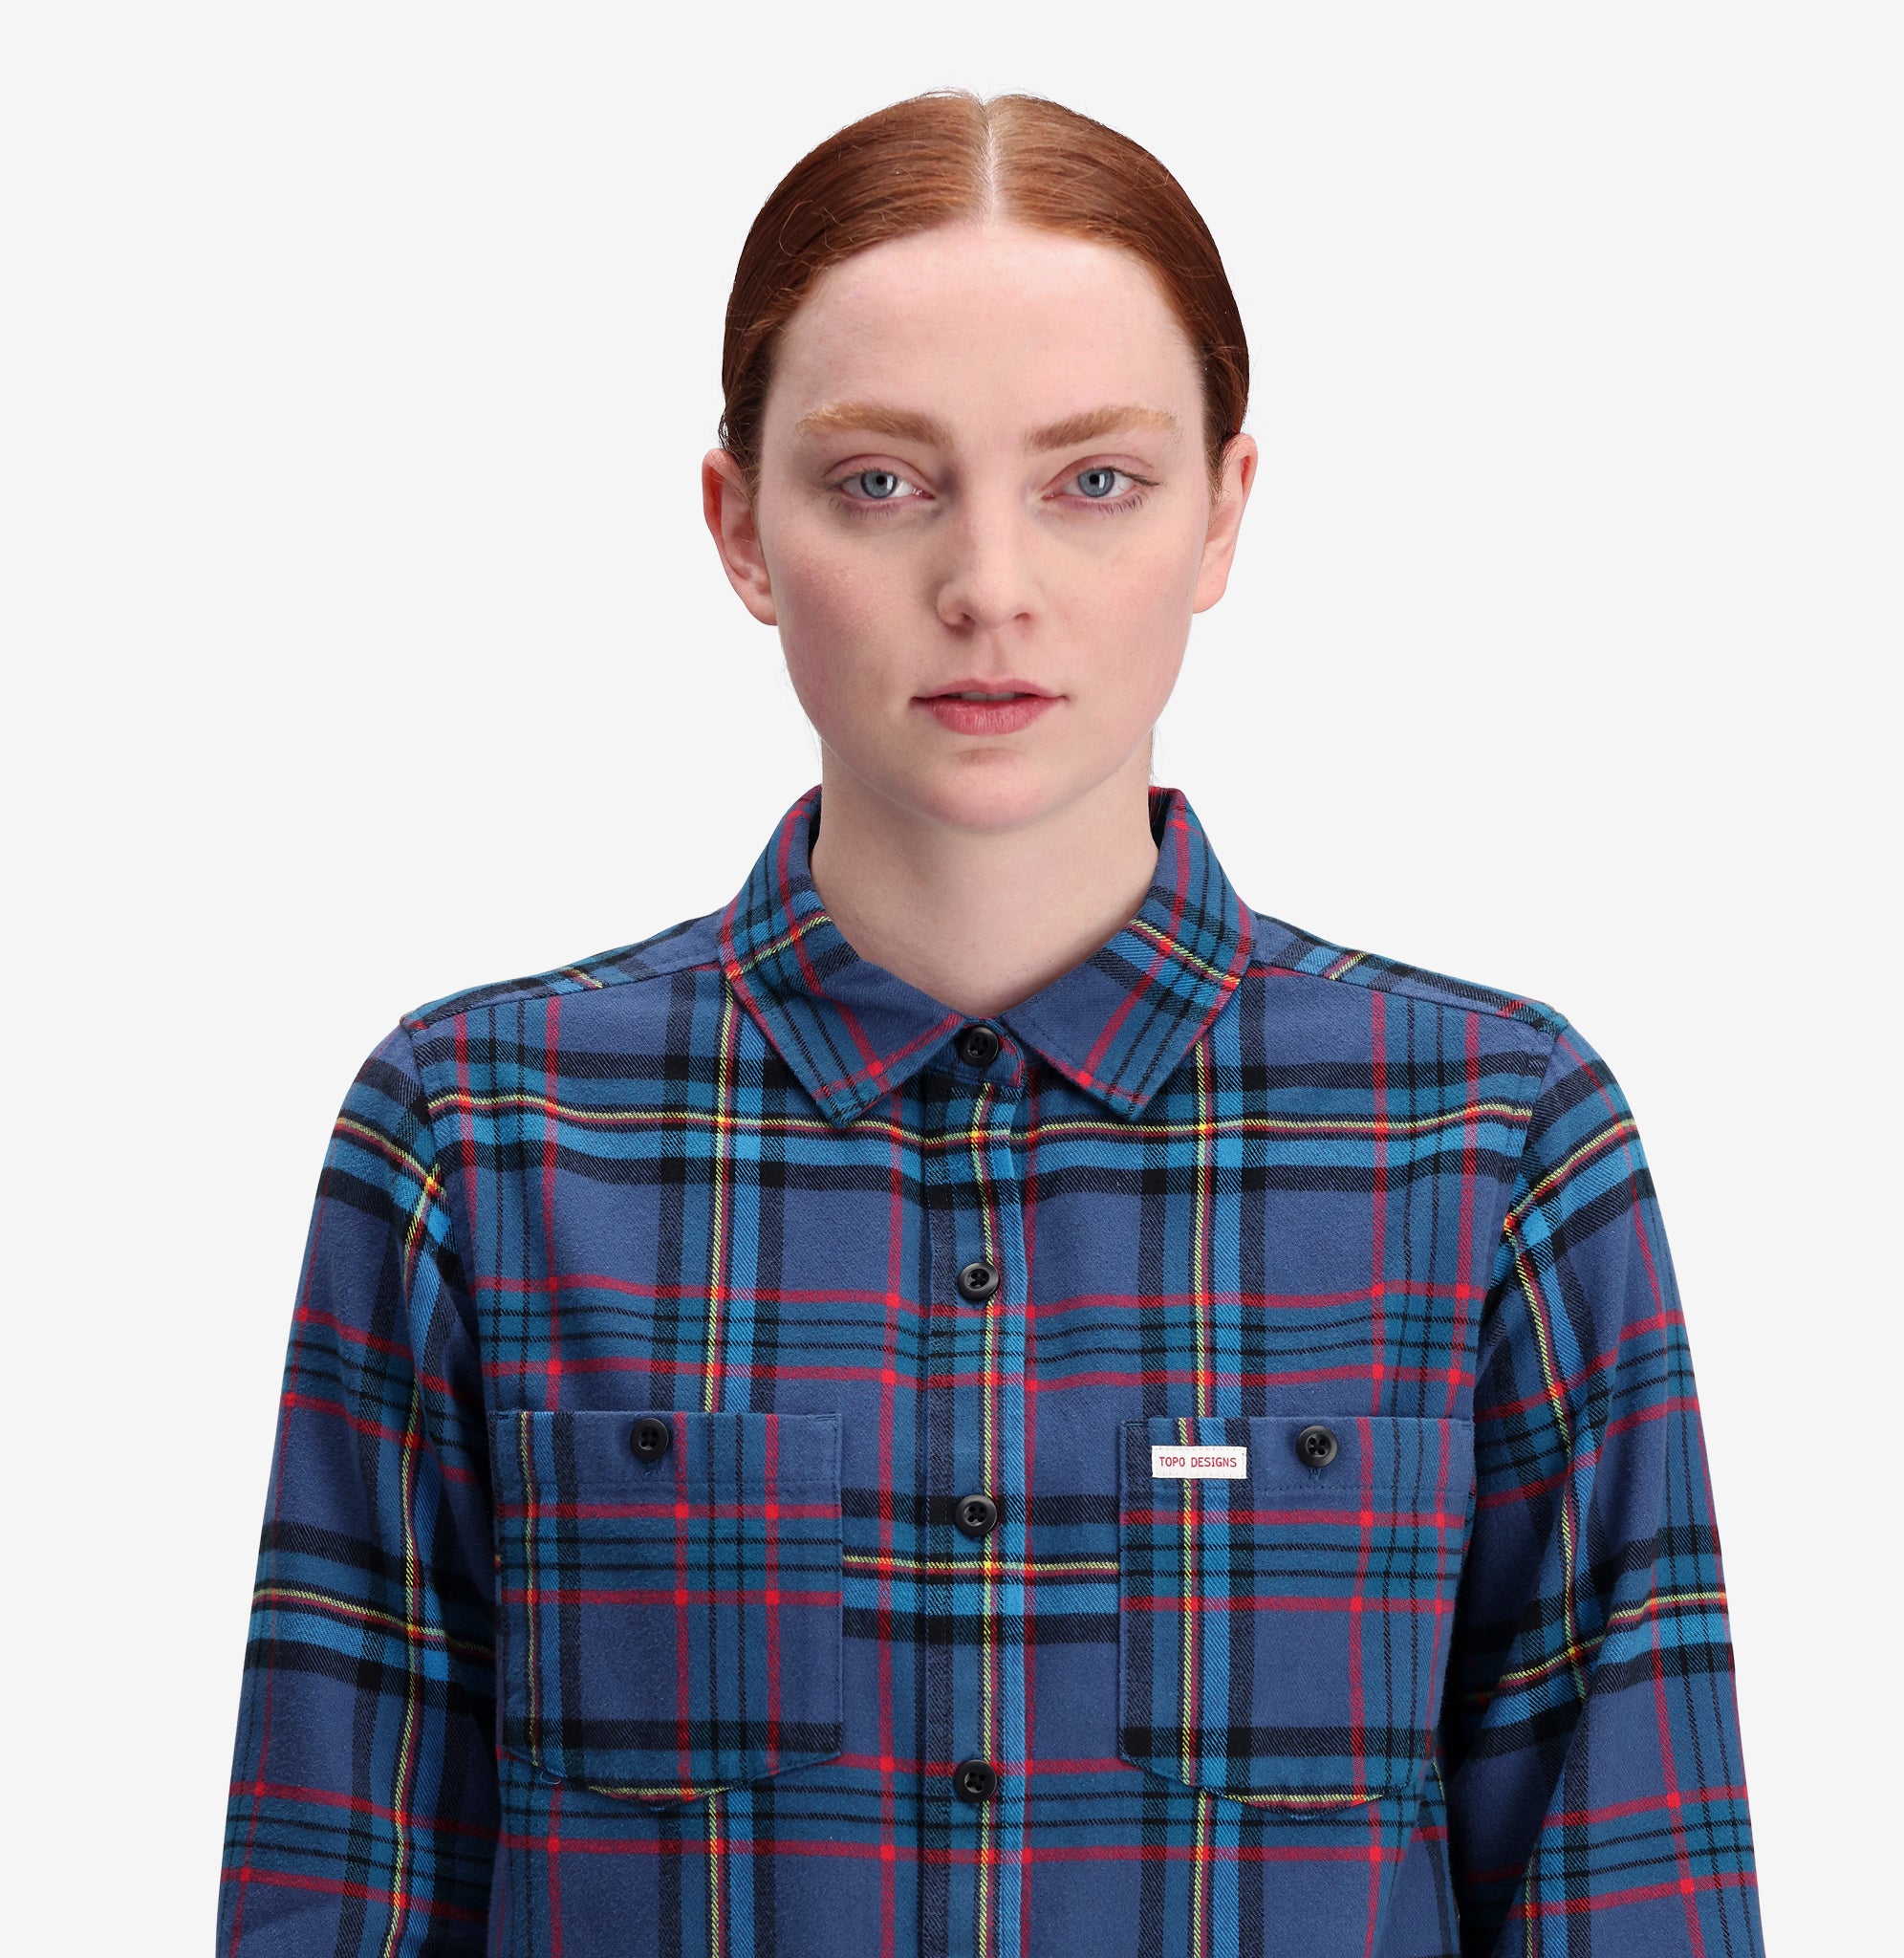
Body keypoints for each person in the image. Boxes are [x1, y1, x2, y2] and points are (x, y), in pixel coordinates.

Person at [215, 88, 1764, 1958]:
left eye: (1092, 481)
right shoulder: (478, 1140)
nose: (989, 589)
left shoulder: (1493, 1138)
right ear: (741, 526)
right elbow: (338, 1898)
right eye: (882, 481)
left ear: (1223, 514)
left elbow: (1633, 1897)